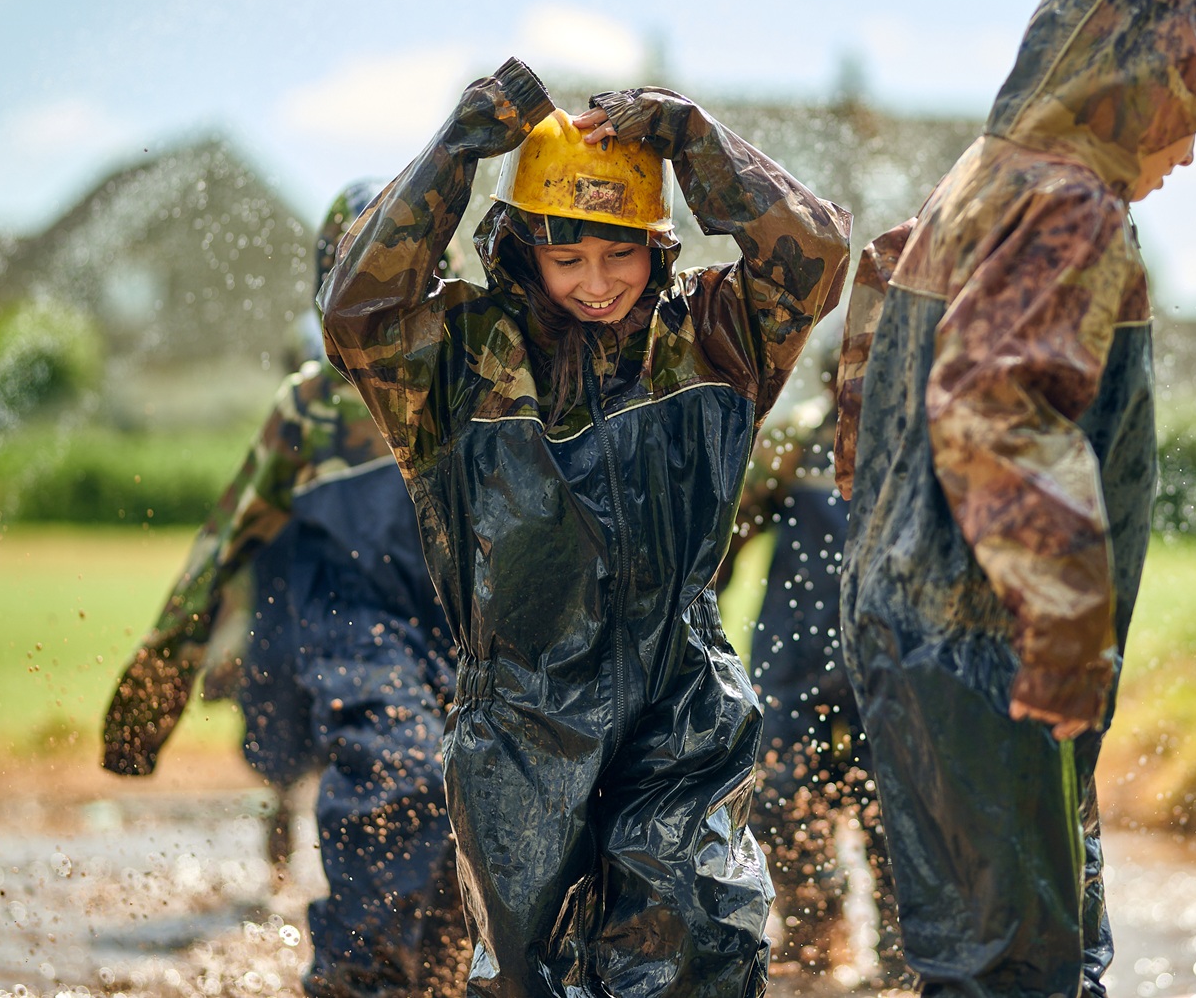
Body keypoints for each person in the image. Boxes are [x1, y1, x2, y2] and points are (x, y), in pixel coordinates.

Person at [318, 59, 850, 998]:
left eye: (622, 253)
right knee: (530, 975)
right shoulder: (457, 364)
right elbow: (358, 306)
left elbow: (812, 248)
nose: (597, 283)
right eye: (568, 259)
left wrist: (693, 139)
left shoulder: (716, 339)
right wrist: (460, 145)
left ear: (660, 246)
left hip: (681, 696)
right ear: (522, 249)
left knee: (698, 941)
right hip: (522, 711)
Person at [835, 0, 1196, 997]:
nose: (1189, 151)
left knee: (995, 952)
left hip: (908, 625)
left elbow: (865, 365)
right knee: (1017, 969)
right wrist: (1067, 639)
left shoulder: (969, 188)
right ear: (1130, 88)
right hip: (992, 643)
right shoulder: (1071, 204)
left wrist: (884, 542)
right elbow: (996, 405)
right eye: (1189, 110)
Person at [102, 185, 468, 998]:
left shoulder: (477, 385)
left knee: (466, 831)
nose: (381, 300)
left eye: (403, 277)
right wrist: (157, 685)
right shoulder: (309, 407)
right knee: (394, 772)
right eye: (356, 279)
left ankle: (439, 973)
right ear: (324, 291)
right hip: (354, 629)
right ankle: (356, 979)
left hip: (465, 636)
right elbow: (222, 544)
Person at [722, 367, 905, 986]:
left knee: (895, 822)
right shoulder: (794, 442)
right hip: (791, 673)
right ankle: (814, 951)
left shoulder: (919, 444)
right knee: (779, 808)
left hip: (890, 678)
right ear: (832, 382)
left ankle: (900, 966)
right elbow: (726, 542)